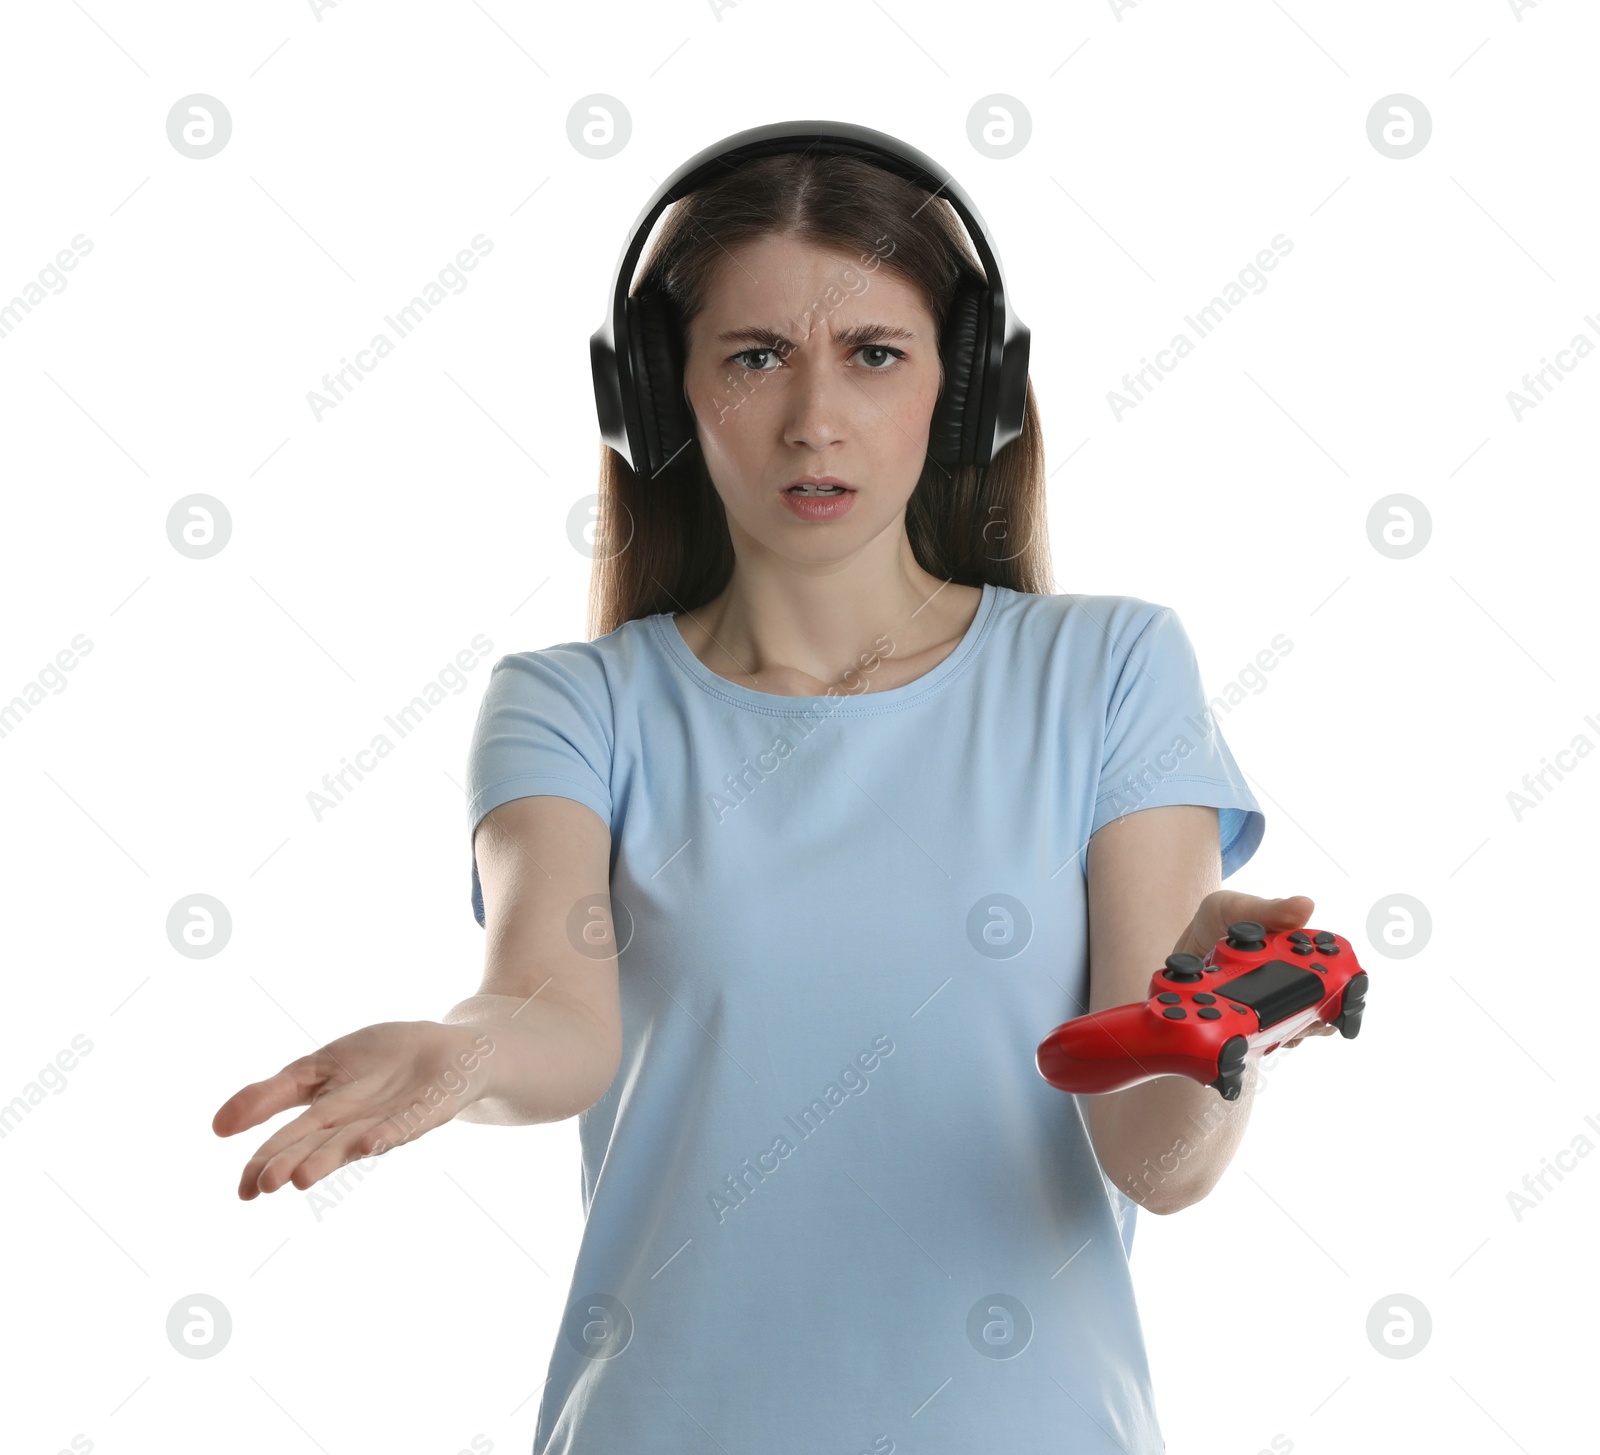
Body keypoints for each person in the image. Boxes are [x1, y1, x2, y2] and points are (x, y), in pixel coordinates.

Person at [214, 140, 1335, 1454]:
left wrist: (1214, 1031)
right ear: (656, 396)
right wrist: (465, 1056)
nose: (815, 419)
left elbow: (1156, 1166)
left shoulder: (1111, 672)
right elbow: (553, 1021)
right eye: (754, 356)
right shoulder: (574, 703)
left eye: (874, 354)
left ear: (967, 390)